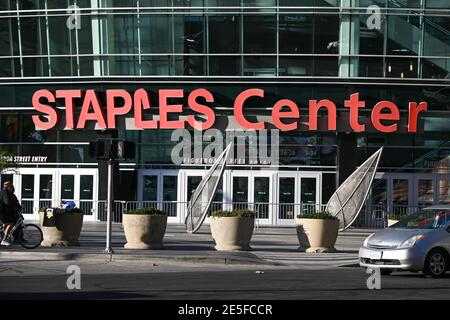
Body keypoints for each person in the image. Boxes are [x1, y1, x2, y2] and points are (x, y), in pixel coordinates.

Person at [0, 181, 21, 246]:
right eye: (12, 187)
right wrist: (14, 207)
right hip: (2, 212)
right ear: (9, 187)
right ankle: (4, 240)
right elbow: (7, 203)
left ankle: (4, 235)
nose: (12, 188)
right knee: (10, 224)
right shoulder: (5, 192)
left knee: (6, 223)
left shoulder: (3, 191)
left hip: (2, 211)